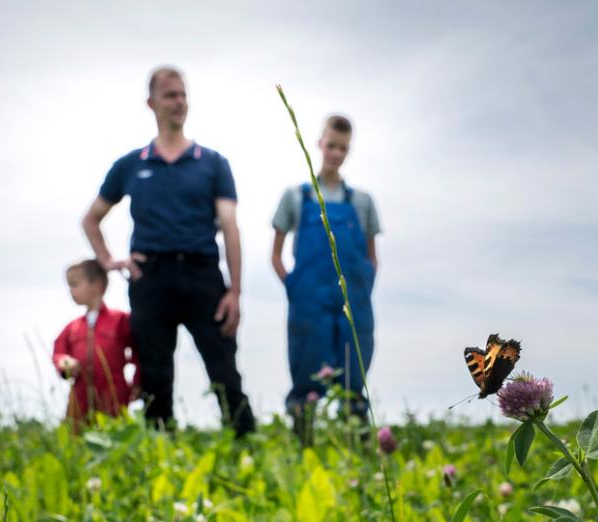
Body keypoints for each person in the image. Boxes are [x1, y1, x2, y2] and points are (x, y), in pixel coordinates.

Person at [81, 66, 255, 437]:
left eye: (182, 94)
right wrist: (110, 261)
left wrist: (234, 291)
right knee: (155, 375)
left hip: (203, 277)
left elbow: (230, 227)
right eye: (170, 95)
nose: (178, 102)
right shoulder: (131, 165)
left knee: (224, 370)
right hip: (150, 279)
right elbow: (91, 219)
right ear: (152, 103)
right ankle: (160, 452)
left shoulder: (212, 163)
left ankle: (245, 448)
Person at [271, 114, 381, 437]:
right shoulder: (296, 196)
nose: (335, 153)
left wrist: (364, 287)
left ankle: (358, 452)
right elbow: (275, 254)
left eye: (343, 148)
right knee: (308, 377)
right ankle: (304, 446)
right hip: (309, 303)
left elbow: (372, 256)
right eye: (331, 145)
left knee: (353, 377)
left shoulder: (362, 202)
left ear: (349, 151)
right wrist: (293, 287)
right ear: (320, 143)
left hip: (353, 304)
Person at [52, 259, 139, 429]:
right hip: (79, 395)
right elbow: (59, 352)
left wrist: (137, 382)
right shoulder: (73, 327)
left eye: (75, 284)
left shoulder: (120, 320)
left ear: (97, 285)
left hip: (114, 393)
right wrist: (64, 363)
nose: (71, 291)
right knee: (77, 435)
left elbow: (139, 351)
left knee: (115, 434)